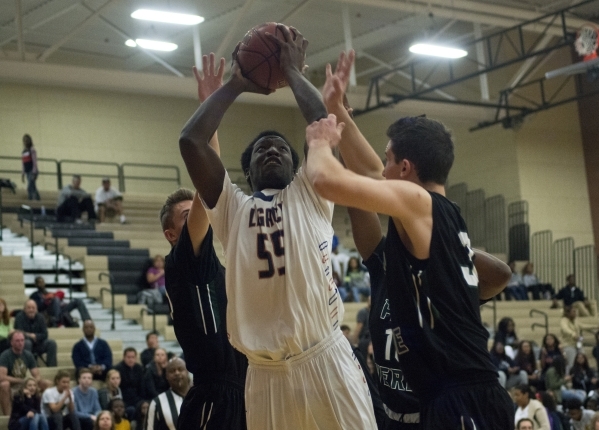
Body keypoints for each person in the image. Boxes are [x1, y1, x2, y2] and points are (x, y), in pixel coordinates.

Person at [179, 33, 377, 428]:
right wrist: (235, 84)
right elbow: (191, 141)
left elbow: (325, 125)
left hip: (324, 356)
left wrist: (288, 70)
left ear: (297, 163)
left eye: (282, 148)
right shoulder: (231, 208)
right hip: (264, 375)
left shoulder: (311, 191)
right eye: (261, 150)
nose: (272, 151)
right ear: (247, 172)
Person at [304, 75, 513, 426]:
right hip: (462, 396)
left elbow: (327, 181)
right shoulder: (440, 211)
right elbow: (371, 170)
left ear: (405, 168)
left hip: (459, 399)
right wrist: (338, 111)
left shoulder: (418, 203)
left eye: (389, 160)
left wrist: (320, 143)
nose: (382, 171)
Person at [0, 331, 47, 416]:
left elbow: (37, 375)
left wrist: (33, 383)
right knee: (4, 384)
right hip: (12, 385)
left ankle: (42, 412)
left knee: (45, 383)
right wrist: (21, 381)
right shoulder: (5, 355)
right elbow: (2, 377)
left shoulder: (28, 355)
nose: (20, 343)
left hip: (23, 384)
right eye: (17, 341)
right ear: (11, 342)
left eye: (22, 340)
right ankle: (8, 416)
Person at [145, 358, 189, 430]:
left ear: (187, 372)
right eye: (172, 371)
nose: (177, 373)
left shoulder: (202, 397)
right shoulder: (157, 403)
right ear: (166, 376)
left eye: (180, 369)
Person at [14, 300, 57, 366]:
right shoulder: (19, 317)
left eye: (33, 308)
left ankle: (52, 366)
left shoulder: (40, 317)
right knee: (27, 342)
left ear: (36, 309)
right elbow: (19, 333)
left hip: (38, 343)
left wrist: (36, 336)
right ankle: (28, 367)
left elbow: (45, 334)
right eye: (29, 308)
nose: (31, 310)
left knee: (52, 343)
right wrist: (31, 336)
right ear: (24, 309)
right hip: (24, 344)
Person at [113, 348, 143, 419]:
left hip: (137, 397)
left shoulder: (139, 368)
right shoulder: (118, 368)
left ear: (136, 358)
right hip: (124, 398)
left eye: (133, 357)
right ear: (124, 357)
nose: (131, 359)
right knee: (132, 409)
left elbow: (141, 386)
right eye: (128, 357)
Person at [561, 305, 583, 370]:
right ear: (568, 313)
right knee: (572, 363)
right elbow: (565, 329)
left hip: (578, 343)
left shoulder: (575, 320)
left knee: (583, 358)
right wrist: (573, 334)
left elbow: (582, 326)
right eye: (573, 312)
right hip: (568, 345)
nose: (575, 313)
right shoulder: (563, 320)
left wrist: (596, 326)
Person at [21, 134, 40, 201]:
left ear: (30, 141)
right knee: (33, 185)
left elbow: (34, 162)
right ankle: (37, 198)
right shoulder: (23, 151)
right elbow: (23, 163)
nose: (26, 142)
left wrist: (34, 172)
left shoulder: (32, 150)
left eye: (27, 140)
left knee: (30, 186)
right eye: (24, 140)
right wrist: (23, 174)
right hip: (27, 170)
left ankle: (30, 198)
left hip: (32, 170)